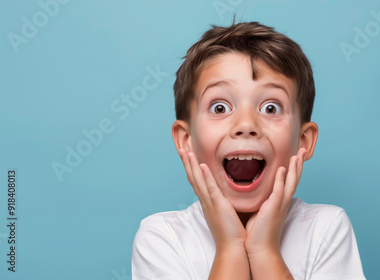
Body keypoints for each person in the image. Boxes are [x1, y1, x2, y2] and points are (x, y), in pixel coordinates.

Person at [132, 21, 366, 280]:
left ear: (303, 140)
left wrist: (264, 251)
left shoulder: (326, 229)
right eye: (220, 108)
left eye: (270, 108)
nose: (246, 125)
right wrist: (230, 248)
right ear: (186, 139)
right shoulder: (163, 236)